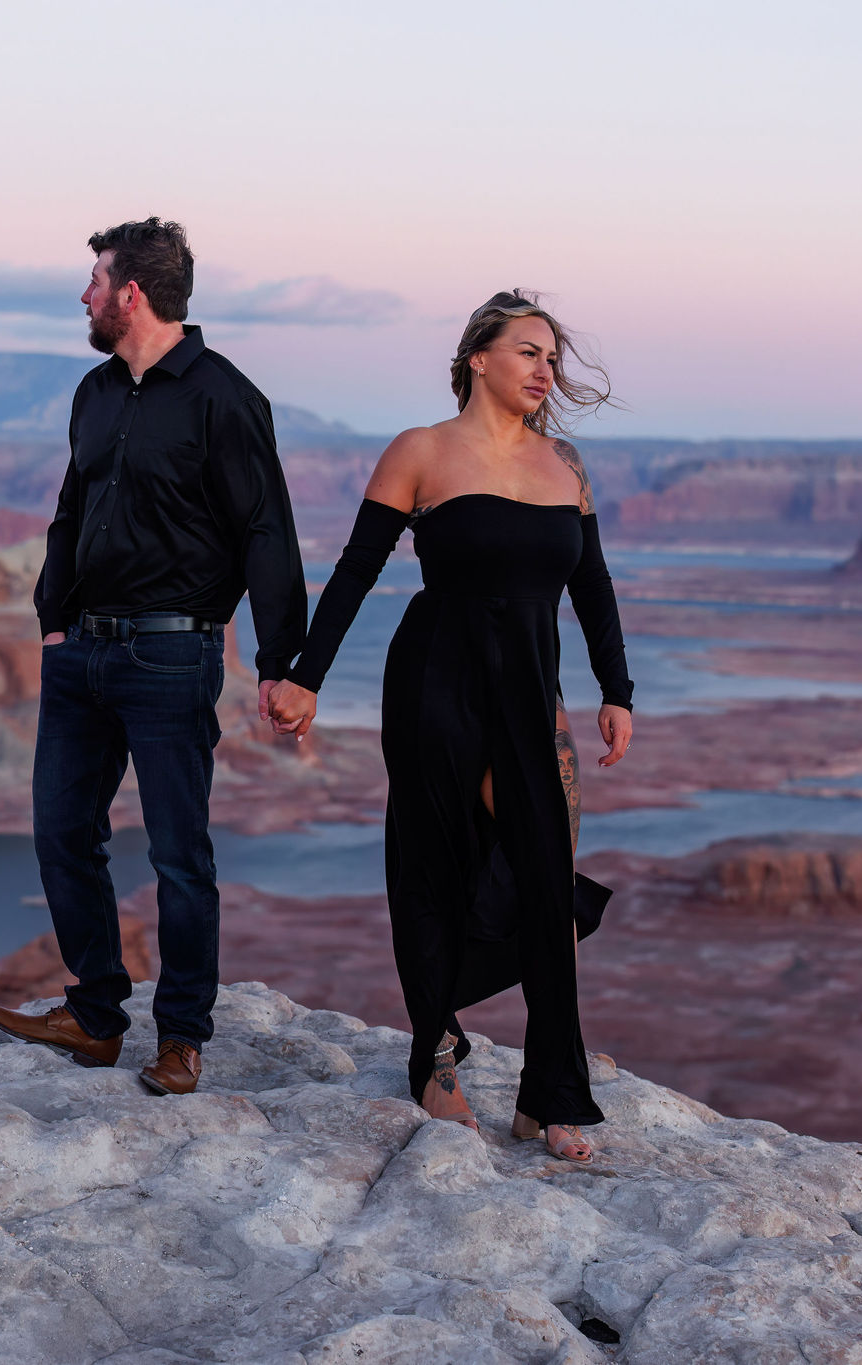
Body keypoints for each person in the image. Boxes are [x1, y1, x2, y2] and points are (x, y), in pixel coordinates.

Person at [266, 290, 633, 1163]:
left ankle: (550, 1093)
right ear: (479, 358)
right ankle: (434, 1052)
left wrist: (615, 687)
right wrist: (304, 677)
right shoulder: (422, 452)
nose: (547, 371)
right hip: (436, 680)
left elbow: (593, 588)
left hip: (529, 693)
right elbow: (355, 571)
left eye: (553, 359)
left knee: (545, 875)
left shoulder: (564, 465)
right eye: (529, 354)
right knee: (435, 866)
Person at [0, 218, 307, 1097]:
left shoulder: (223, 397)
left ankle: (183, 1037)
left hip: (172, 657)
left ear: (132, 293)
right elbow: (67, 512)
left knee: (178, 854)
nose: (82, 296)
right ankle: (93, 1016)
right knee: (61, 832)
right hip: (81, 653)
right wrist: (54, 620)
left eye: (93, 280)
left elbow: (267, 532)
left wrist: (286, 663)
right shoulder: (93, 394)